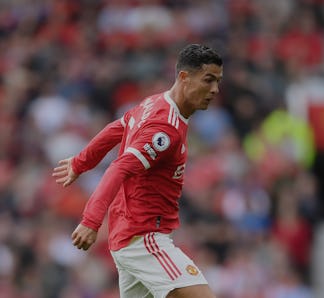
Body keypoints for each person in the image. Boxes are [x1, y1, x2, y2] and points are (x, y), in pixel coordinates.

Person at [53, 44, 223, 298]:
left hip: (129, 236)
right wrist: (91, 221)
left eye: (218, 82)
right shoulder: (165, 130)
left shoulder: (154, 102)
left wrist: (80, 163)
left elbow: (118, 126)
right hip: (144, 238)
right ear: (184, 78)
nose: (215, 90)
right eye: (208, 80)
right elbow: (119, 168)